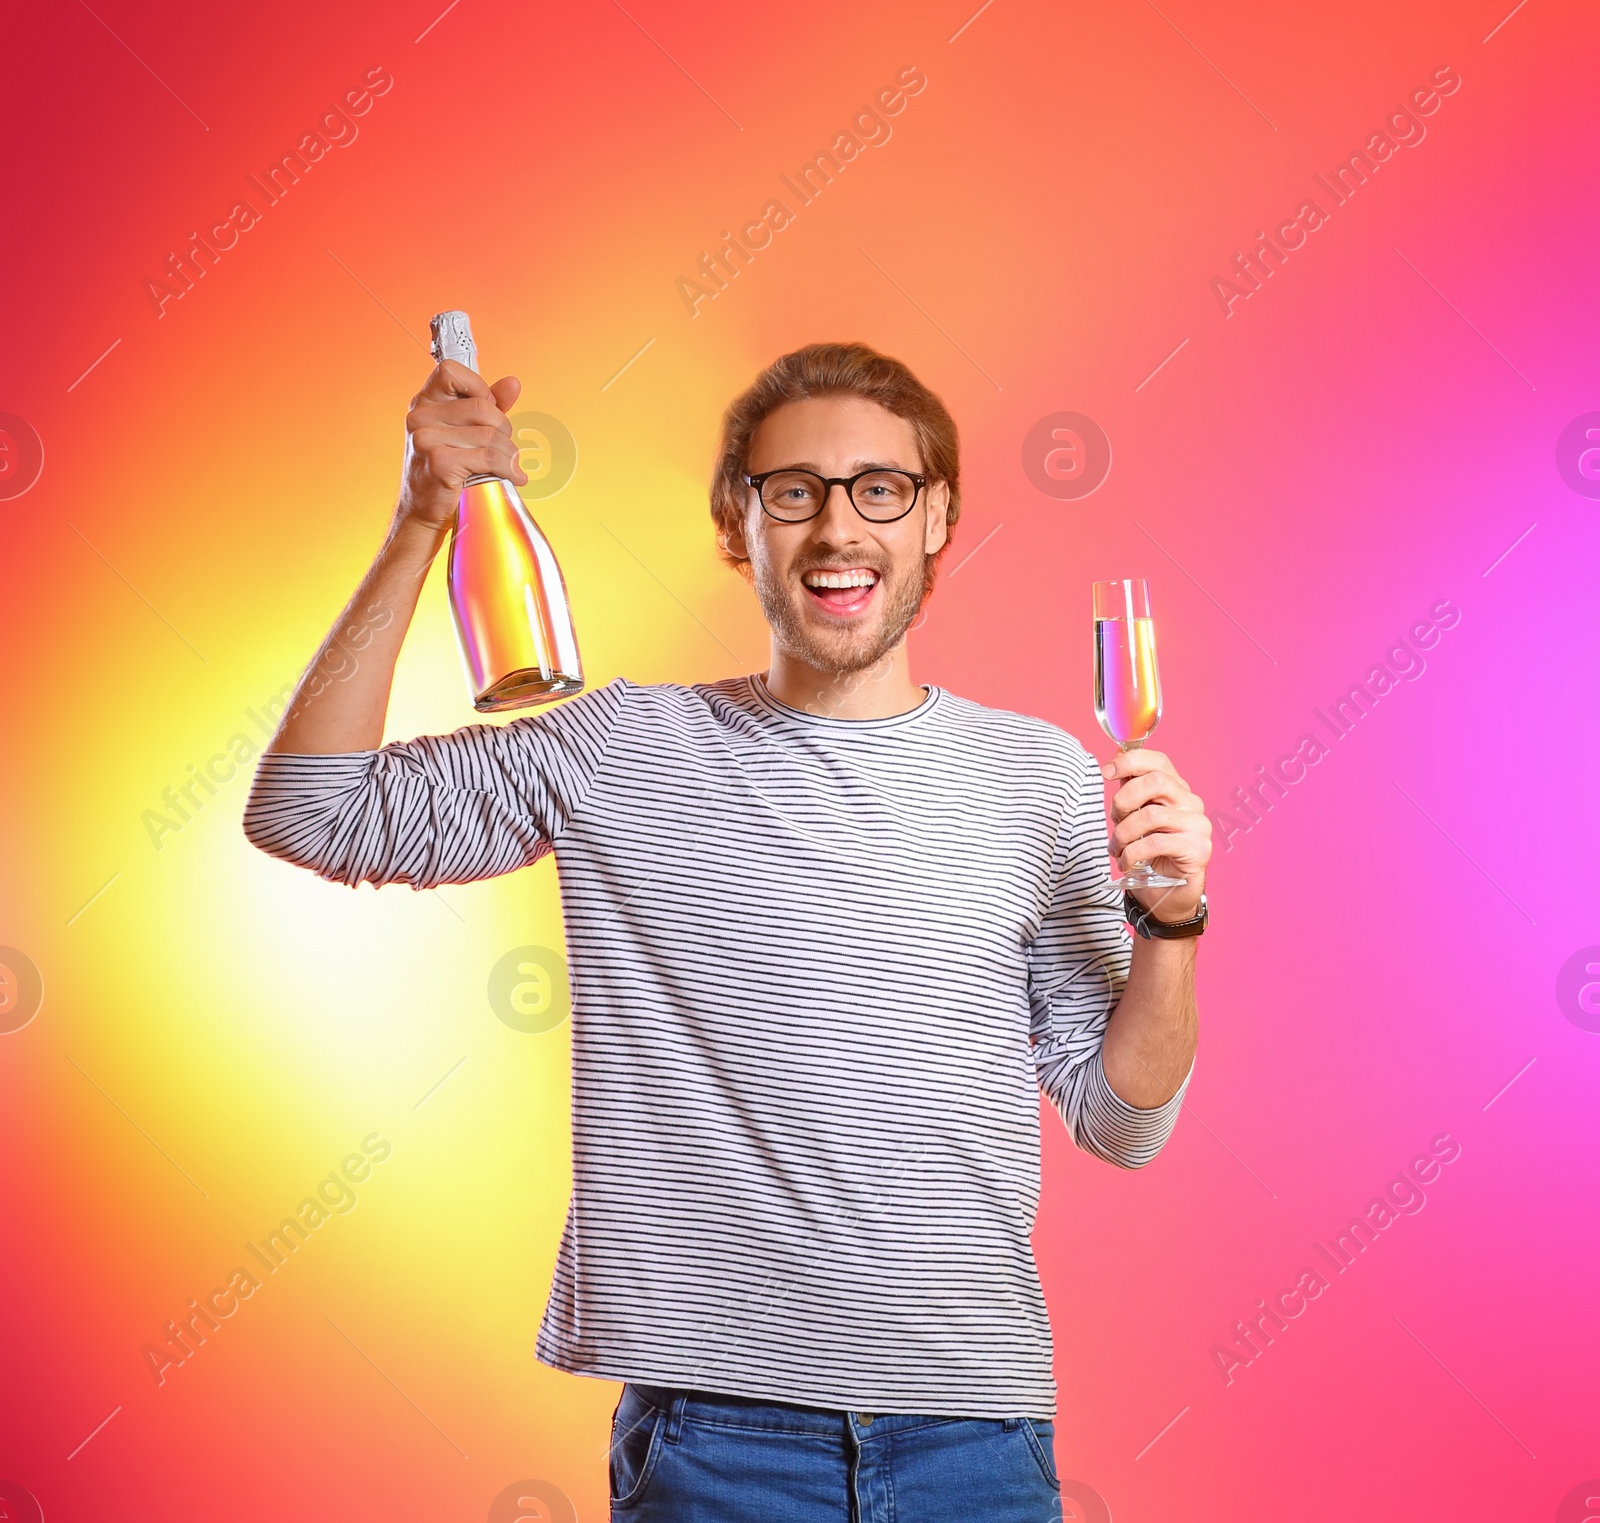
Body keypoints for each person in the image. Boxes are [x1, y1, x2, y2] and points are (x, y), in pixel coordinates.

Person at [243, 341, 1211, 1522]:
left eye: (880, 489)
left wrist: (1169, 924)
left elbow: (1122, 1123)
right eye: (792, 491)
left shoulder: (1041, 778)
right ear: (734, 522)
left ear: (936, 516)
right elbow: (308, 809)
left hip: (977, 1433)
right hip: (716, 1445)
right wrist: (419, 528)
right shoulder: (619, 751)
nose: (837, 528)